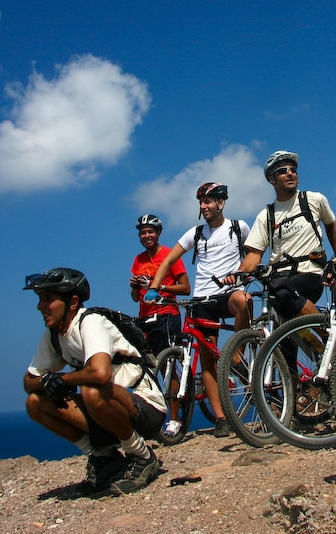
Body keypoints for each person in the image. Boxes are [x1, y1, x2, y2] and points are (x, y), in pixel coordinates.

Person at [23, 268, 165, 496]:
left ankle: (142, 456)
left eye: (48, 299)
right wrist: (47, 381)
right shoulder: (54, 334)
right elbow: (29, 381)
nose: (40, 306)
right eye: (40, 299)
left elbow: (100, 374)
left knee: (92, 390)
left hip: (146, 406)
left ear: (72, 302)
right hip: (107, 411)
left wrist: (60, 379)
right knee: (35, 403)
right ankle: (104, 458)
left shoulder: (90, 322)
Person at [145, 183, 252, 438]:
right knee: (206, 359)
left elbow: (253, 255)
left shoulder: (239, 227)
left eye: (208, 201)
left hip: (228, 292)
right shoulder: (195, 233)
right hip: (202, 299)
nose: (203, 206)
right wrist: (155, 287)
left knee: (244, 300)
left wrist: (240, 273)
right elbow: (169, 259)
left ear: (221, 203)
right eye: (201, 202)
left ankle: (237, 356)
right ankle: (220, 418)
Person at [230, 151, 336, 322]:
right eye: (282, 171)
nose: (290, 173)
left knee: (285, 294)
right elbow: (254, 254)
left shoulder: (314, 200)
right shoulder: (266, 215)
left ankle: (327, 333)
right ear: (271, 179)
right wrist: (237, 274)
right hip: (277, 279)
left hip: (309, 273)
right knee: (277, 331)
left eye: (293, 170)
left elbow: (331, 226)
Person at [129, 214, 190, 437]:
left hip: (166, 315)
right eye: (143, 233)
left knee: (167, 367)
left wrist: (160, 287)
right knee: (144, 368)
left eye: (150, 232)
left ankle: (174, 419)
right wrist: (135, 287)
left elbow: (185, 288)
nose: (147, 236)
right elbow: (135, 298)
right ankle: (150, 417)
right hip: (145, 317)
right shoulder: (138, 260)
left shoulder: (169, 255)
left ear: (158, 233)